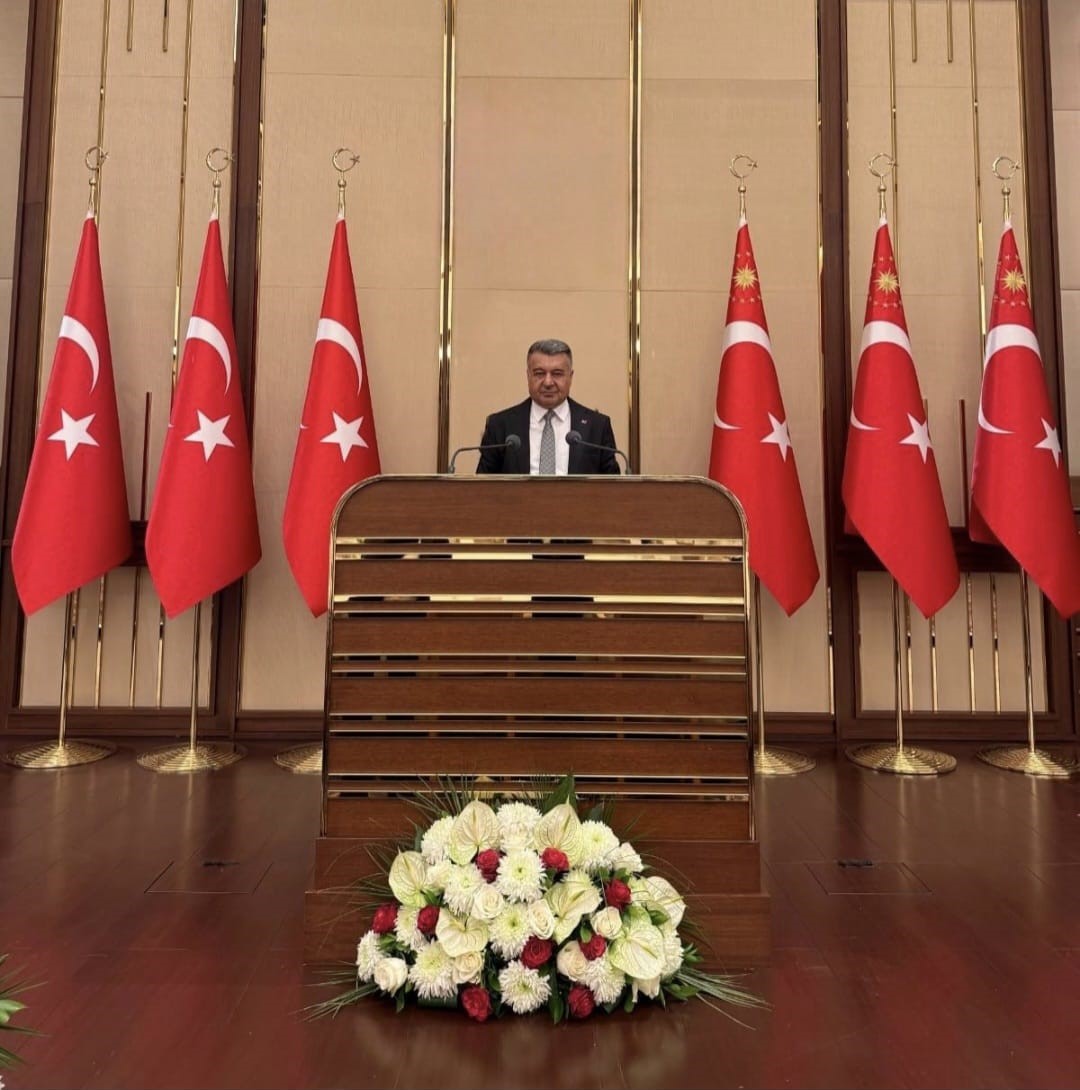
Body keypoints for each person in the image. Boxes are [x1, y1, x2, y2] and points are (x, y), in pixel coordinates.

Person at [475, 339, 621, 474]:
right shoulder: (500, 425)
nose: (548, 382)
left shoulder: (597, 426)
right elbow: (482, 486)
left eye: (557, 374)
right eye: (539, 373)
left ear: (570, 377)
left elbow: (613, 487)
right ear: (528, 376)